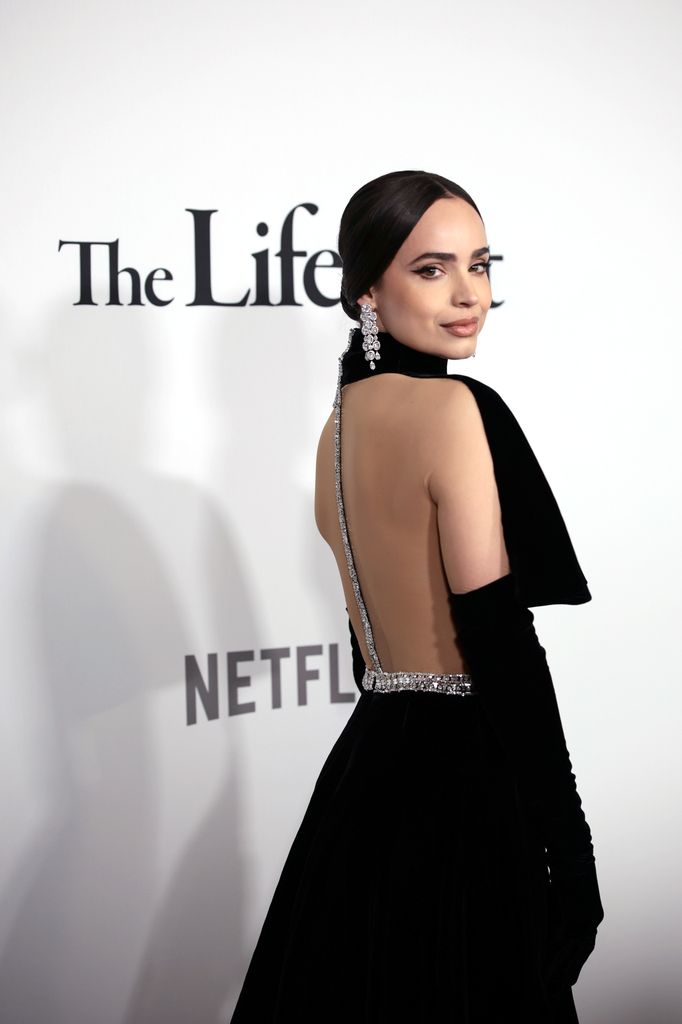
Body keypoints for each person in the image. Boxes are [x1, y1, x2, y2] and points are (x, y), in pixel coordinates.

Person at [230, 170, 605, 1023]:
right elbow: (500, 641)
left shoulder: (337, 427)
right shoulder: (453, 410)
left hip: (368, 776)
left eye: (480, 264)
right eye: (432, 269)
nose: (470, 294)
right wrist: (569, 847)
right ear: (367, 288)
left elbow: (377, 650)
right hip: (465, 781)